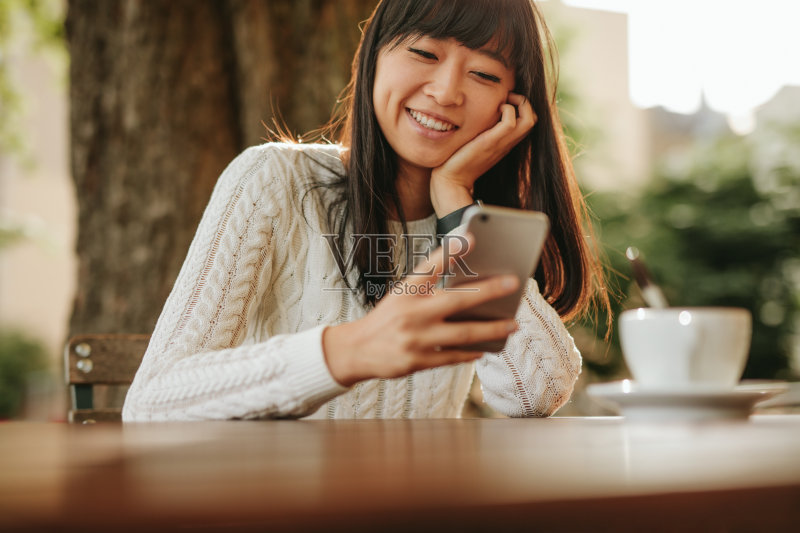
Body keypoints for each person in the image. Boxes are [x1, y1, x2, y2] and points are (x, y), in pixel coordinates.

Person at [122, 0, 606, 421]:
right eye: (424, 52)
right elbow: (151, 401)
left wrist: (456, 201)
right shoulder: (274, 181)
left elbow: (537, 392)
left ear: (511, 105)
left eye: (484, 73)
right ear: (374, 56)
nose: (446, 91)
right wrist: (345, 353)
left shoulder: (478, 230)